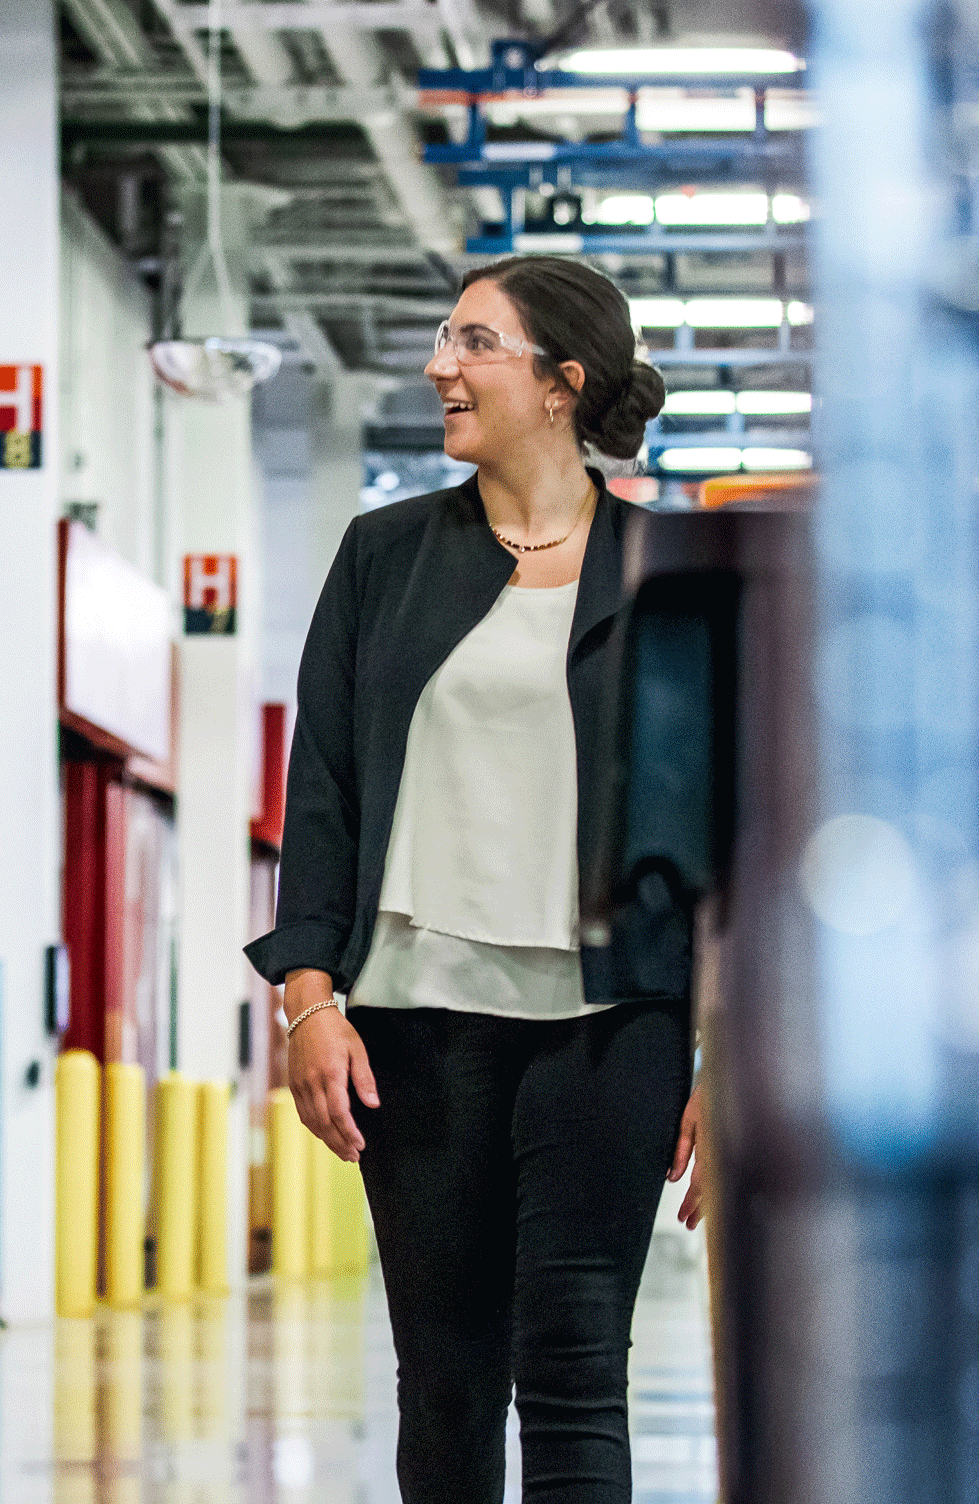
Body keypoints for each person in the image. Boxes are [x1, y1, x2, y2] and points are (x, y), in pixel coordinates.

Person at [247, 255, 699, 1502]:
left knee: (573, 1369)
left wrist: (733, 1044)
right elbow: (324, 786)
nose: (441, 364)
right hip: (417, 1021)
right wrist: (307, 995)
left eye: (475, 342)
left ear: (562, 383)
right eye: (444, 338)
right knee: (444, 1383)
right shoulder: (385, 556)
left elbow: (721, 827)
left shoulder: (666, 568)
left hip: (613, 1023)